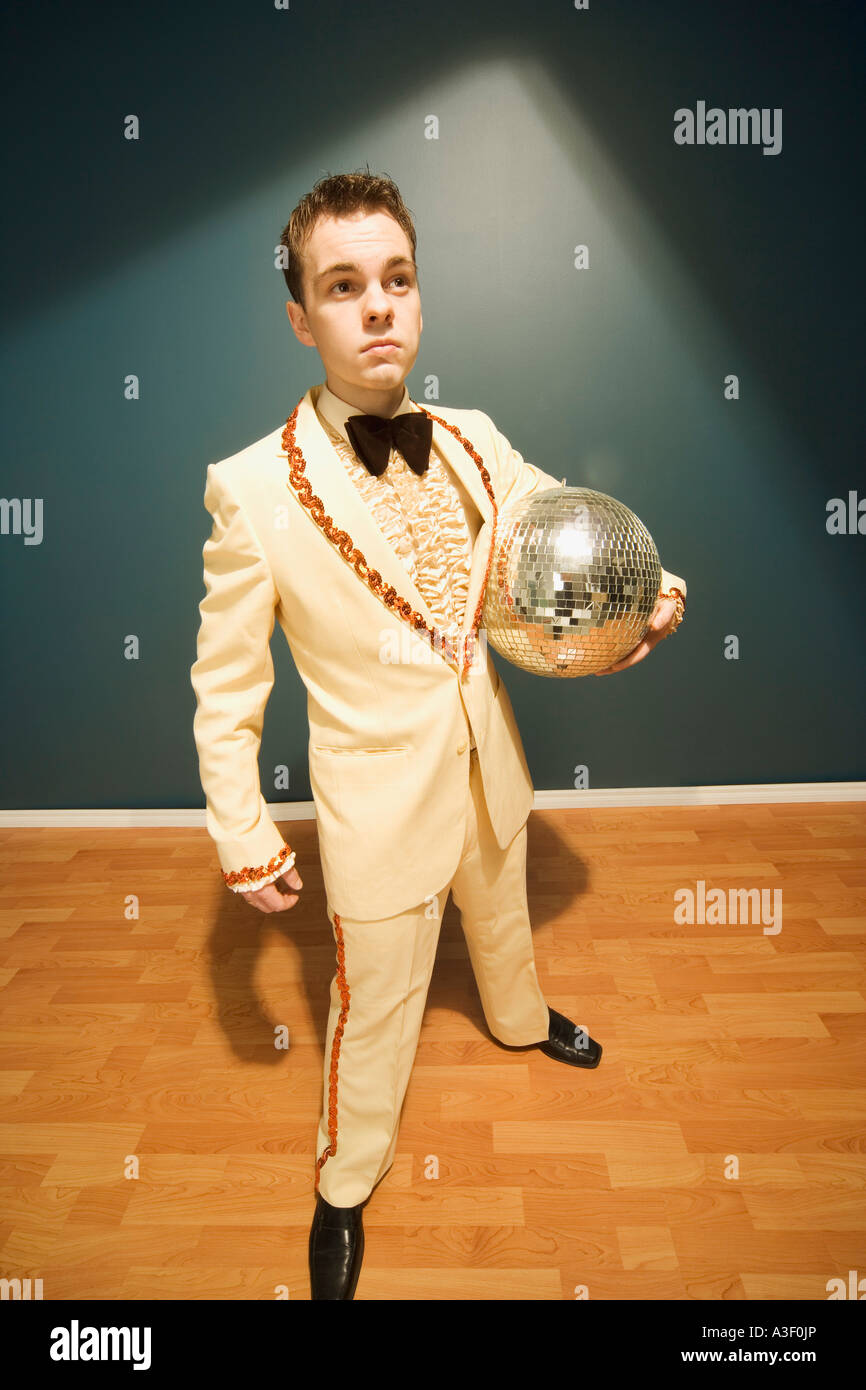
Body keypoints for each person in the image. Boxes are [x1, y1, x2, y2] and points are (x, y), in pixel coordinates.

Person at [190, 170, 687, 1301]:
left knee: (502, 914)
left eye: (396, 279)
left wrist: (646, 592)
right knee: (373, 1004)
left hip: (486, 758)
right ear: (300, 316)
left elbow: (568, 526)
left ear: (419, 297)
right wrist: (241, 828)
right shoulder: (253, 490)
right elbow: (225, 688)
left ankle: (516, 1022)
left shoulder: (470, 438)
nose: (376, 306)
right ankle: (344, 1183)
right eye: (343, 285)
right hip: (373, 802)